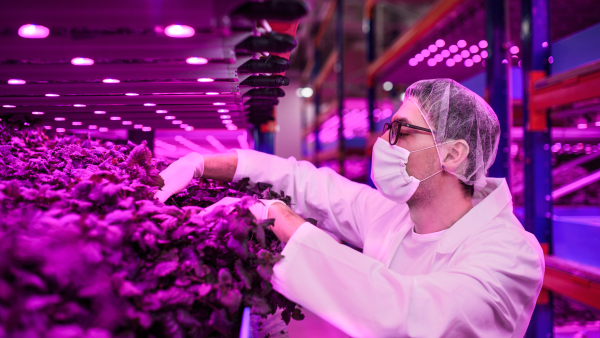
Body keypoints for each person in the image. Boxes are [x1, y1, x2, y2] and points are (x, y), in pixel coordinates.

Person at [155, 79, 545, 337]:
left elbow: (415, 317)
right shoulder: (396, 216)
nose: (383, 143)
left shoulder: (510, 255)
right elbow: (307, 184)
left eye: (400, 131)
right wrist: (208, 164)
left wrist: (283, 220)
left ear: (454, 154)